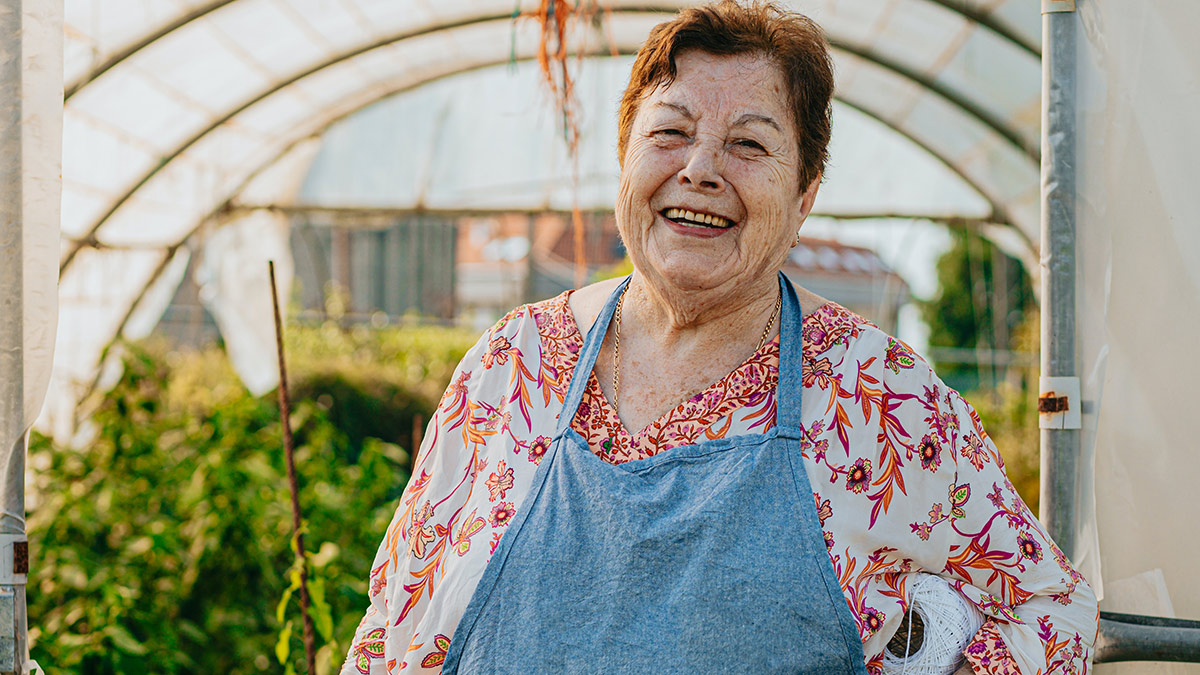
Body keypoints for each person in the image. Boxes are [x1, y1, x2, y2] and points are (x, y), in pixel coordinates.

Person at [341, 2, 1097, 673]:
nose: (700, 169)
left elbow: (1051, 613)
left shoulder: (877, 396)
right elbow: (389, 627)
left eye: (749, 144)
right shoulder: (513, 367)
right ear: (624, 159)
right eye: (670, 132)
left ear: (804, 196)